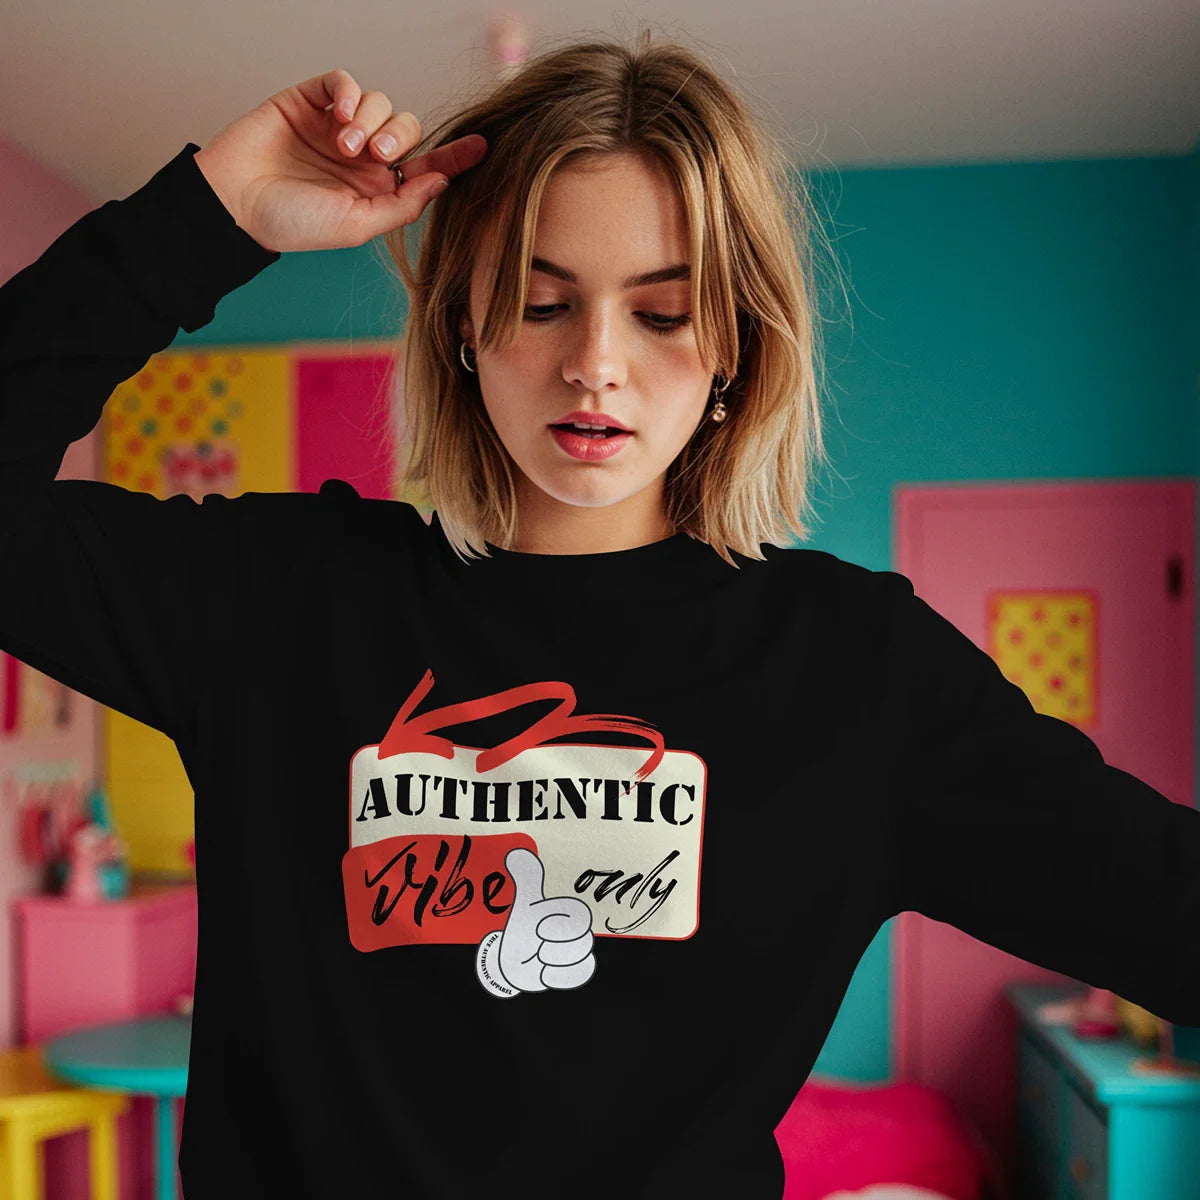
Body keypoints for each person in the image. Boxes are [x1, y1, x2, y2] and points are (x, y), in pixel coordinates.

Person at [1, 30, 1198, 1200]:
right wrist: (208, 215)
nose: (596, 364)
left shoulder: (854, 673)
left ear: (733, 343)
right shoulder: (281, 603)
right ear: (466, 325)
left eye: (663, 312)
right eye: (540, 301)